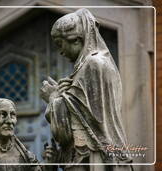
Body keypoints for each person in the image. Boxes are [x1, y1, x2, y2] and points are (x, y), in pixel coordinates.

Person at [40, 9, 133, 171]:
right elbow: (82, 107)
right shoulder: (93, 64)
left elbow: (83, 121)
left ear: (76, 39)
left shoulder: (93, 64)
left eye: (60, 44)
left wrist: (54, 98)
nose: (60, 52)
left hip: (91, 154)